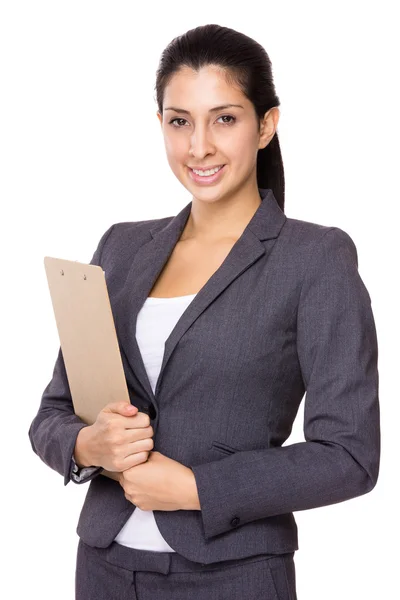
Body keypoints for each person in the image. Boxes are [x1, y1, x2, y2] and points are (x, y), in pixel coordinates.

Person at [28, 23, 380, 600]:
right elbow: (52, 413)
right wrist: (88, 447)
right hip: (104, 568)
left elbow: (350, 456)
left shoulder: (314, 259)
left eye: (225, 118)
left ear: (266, 124)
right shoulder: (120, 247)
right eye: (179, 121)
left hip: (233, 576)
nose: (199, 147)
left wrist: (197, 487)